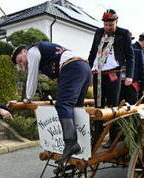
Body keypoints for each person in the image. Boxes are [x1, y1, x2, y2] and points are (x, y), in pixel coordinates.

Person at [12, 41, 91, 167]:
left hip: (73, 67)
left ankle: (71, 143)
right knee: (76, 108)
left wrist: (27, 98)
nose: (22, 64)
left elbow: (32, 77)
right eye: (20, 64)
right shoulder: (43, 53)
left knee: (63, 105)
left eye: (20, 60)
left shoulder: (32, 52)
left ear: (24, 51)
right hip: (84, 68)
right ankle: (85, 143)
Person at [88, 8, 134, 148]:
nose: (108, 28)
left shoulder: (124, 34)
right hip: (98, 74)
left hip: (114, 73)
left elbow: (130, 56)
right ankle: (97, 137)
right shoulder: (98, 32)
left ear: (116, 22)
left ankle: (112, 138)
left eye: (111, 25)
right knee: (98, 106)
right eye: (106, 25)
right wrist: (87, 69)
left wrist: (130, 76)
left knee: (113, 106)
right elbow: (92, 52)